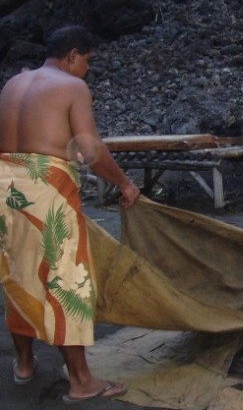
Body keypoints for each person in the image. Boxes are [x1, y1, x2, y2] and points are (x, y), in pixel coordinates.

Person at [0, 25, 140, 402]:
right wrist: (124, 184)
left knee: (18, 275)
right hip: (47, 188)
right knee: (64, 281)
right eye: (88, 62)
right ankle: (81, 382)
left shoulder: (14, 84)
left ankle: (25, 364)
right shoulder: (71, 86)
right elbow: (89, 147)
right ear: (73, 55)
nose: (87, 71)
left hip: (7, 184)